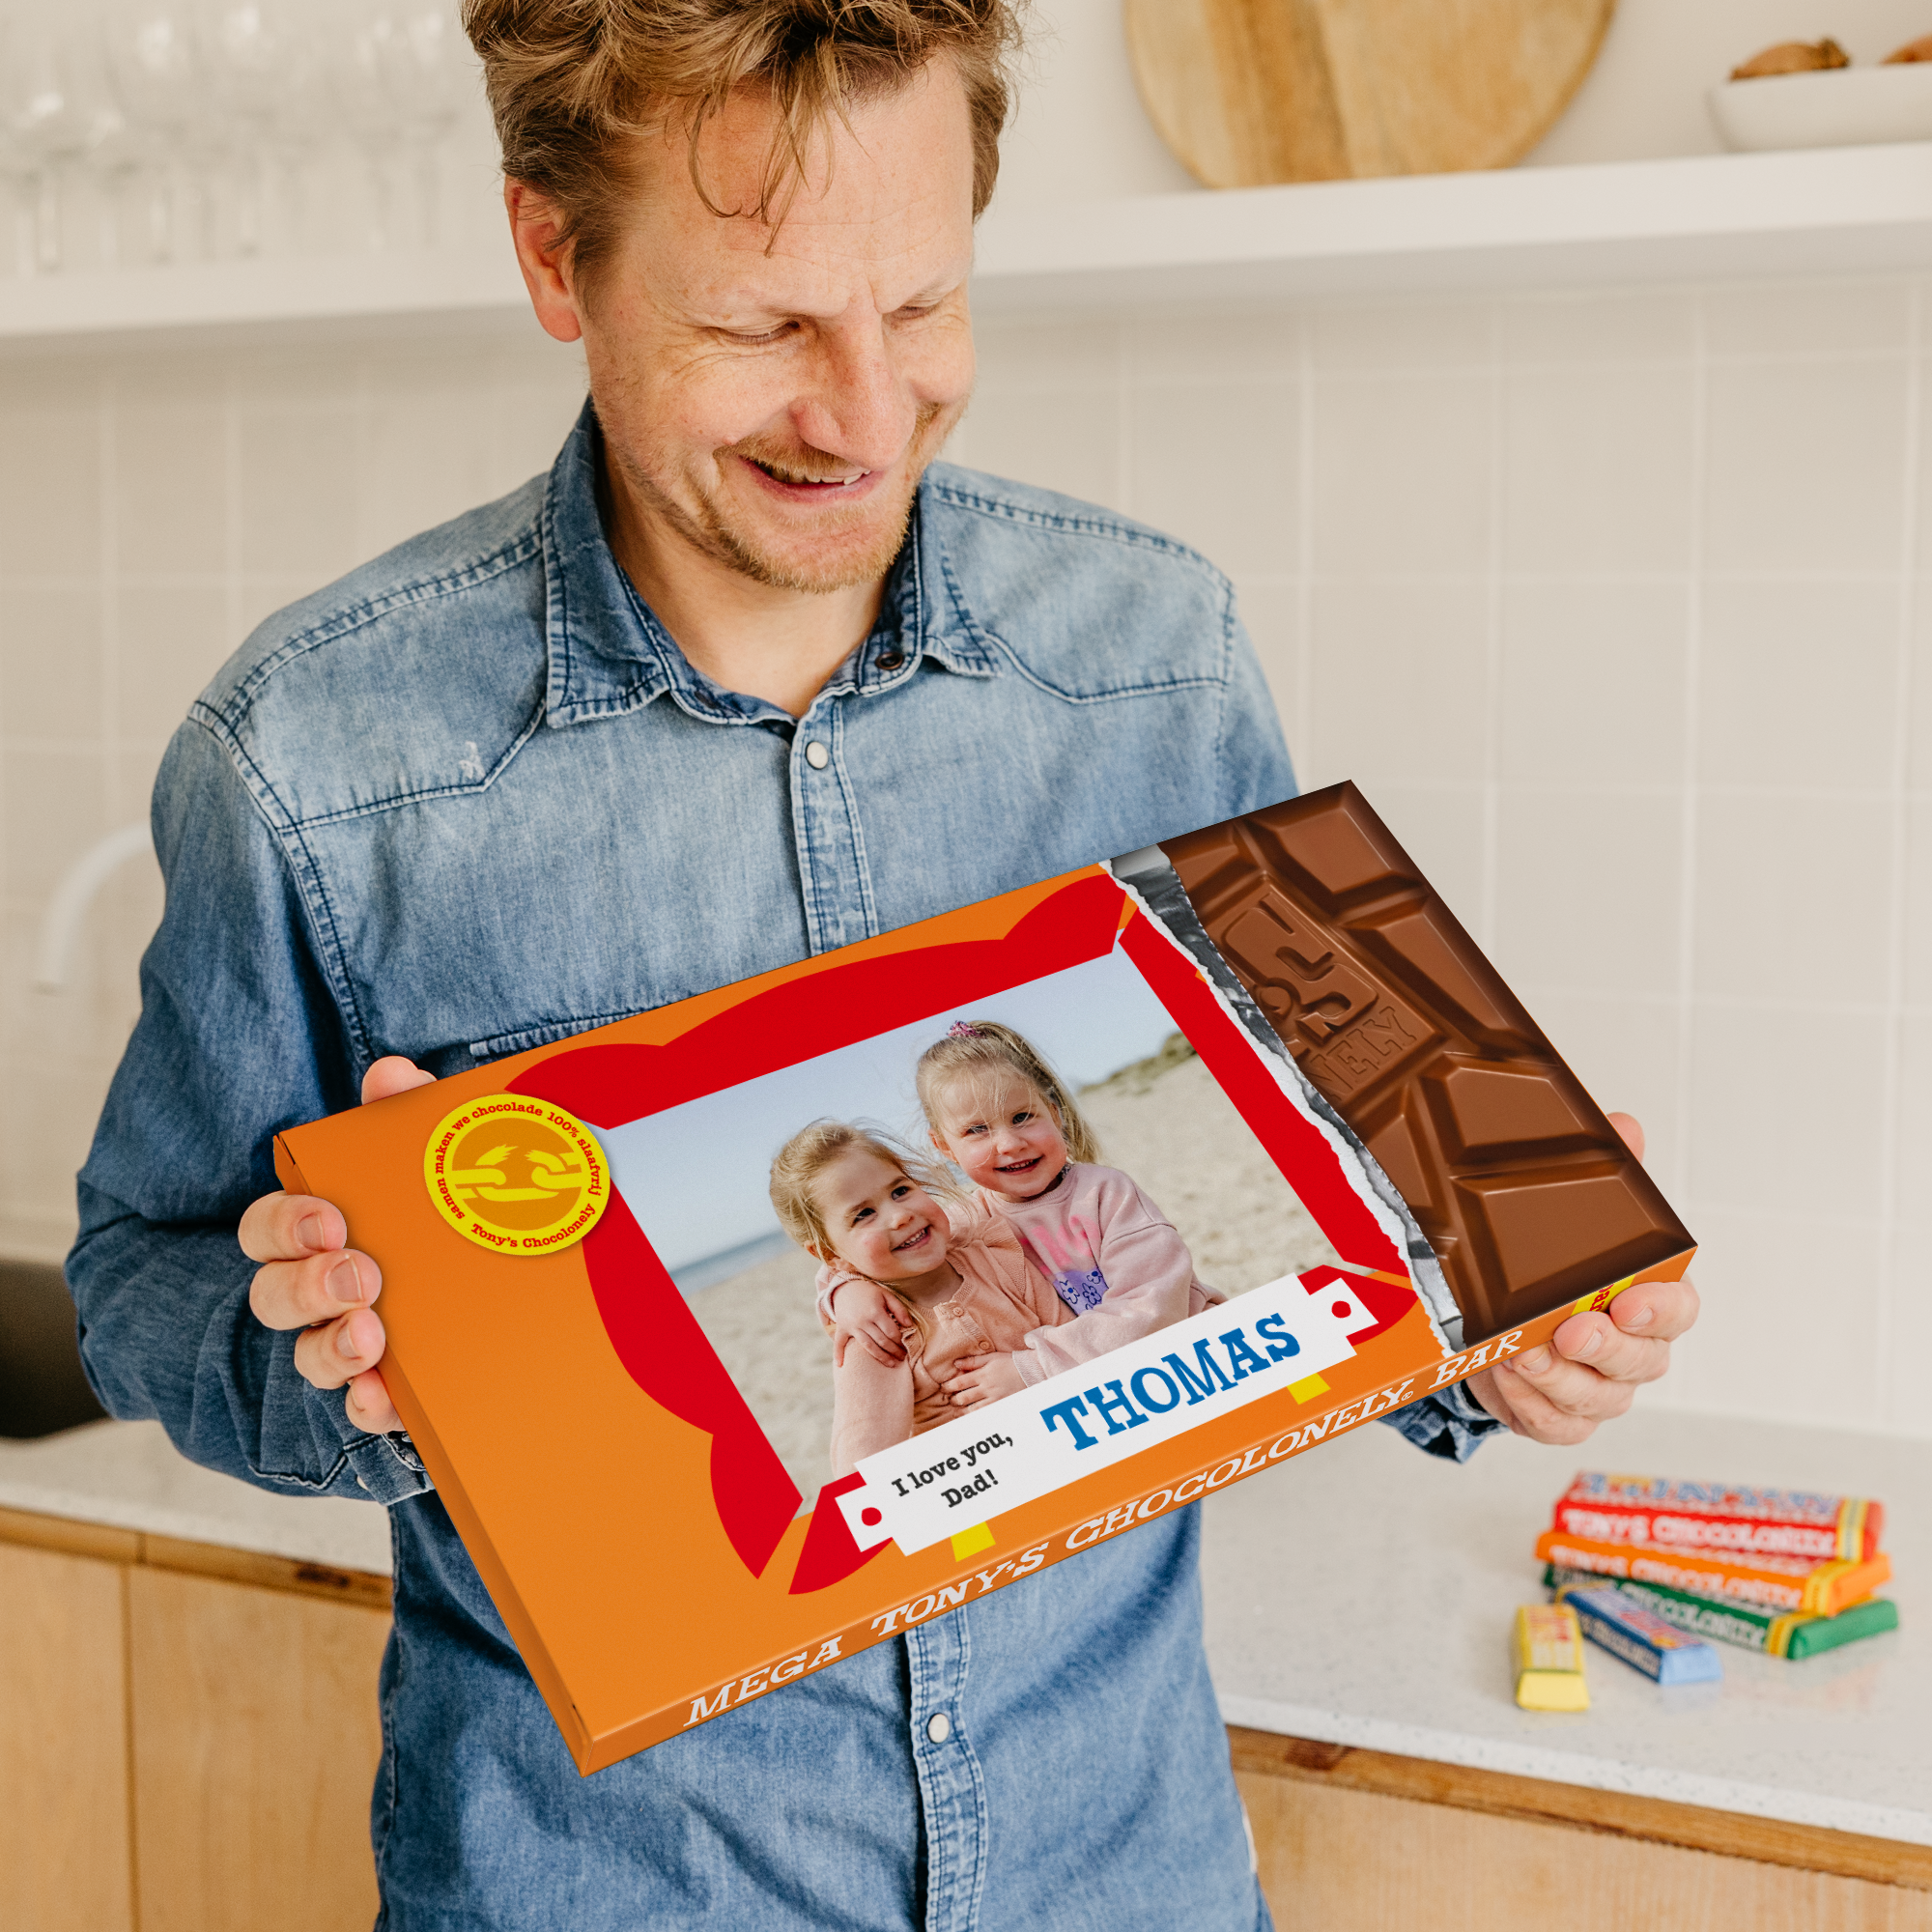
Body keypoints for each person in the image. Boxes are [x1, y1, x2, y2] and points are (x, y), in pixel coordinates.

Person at [65, 0, 1700, 1925]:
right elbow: (137, 1276)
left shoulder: (1154, 652)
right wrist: (321, 1359)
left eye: (920, 305)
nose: (861, 413)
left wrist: (1512, 1328)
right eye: (761, 326)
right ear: (549, 257)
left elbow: (1337, 1188)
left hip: (1130, 1870)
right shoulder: (313, 765)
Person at [825, 1019, 1222, 1406]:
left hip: (1194, 1352)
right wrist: (845, 1291)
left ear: (1054, 1112)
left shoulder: (1104, 1192)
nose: (1009, 1143)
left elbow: (1154, 1308)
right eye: (976, 1130)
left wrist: (1032, 1368)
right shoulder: (965, 1219)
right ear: (944, 1147)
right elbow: (866, 1251)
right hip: (1102, 1388)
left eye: (1021, 1117)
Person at [769, 1119, 1068, 1470]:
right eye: (864, 1215)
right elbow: (859, 1465)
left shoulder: (994, 1257)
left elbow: (1072, 1339)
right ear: (830, 1254)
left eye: (900, 1190)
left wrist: (1035, 1370)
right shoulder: (877, 1333)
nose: (899, 1216)